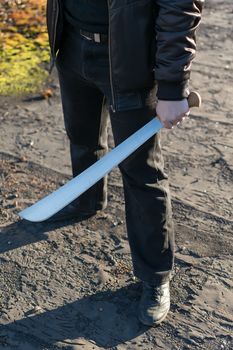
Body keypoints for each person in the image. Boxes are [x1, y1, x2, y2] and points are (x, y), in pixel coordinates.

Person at [46, 0, 204, 326]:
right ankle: (87, 200)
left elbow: (179, 6)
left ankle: (155, 274)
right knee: (82, 137)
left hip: (130, 58)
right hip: (71, 43)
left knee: (140, 169)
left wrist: (173, 87)